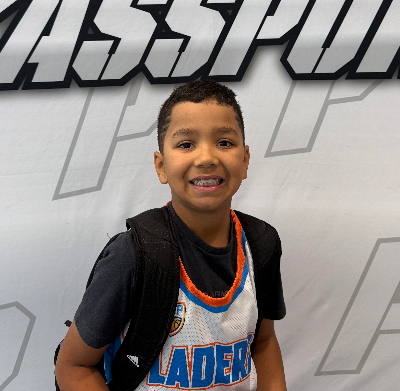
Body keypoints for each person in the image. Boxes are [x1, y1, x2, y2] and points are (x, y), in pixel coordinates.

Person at [55, 80, 287, 391]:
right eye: (186, 144)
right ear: (161, 166)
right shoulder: (133, 255)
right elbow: (74, 366)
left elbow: (263, 342)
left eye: (224, 142)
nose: (206, 158)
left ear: (245, 160)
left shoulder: (262, 244)